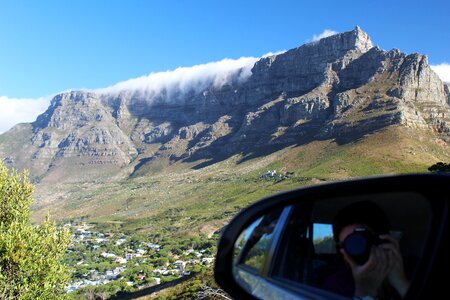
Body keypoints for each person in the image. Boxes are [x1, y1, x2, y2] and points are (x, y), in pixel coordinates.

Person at [323, 201, 410, 300]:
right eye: (348, 245)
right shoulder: (336, 284)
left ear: (383, 242)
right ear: (342, 251)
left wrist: (400, 282)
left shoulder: (414, 272)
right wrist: (364, 292)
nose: (355, 251)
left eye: (360, 242)